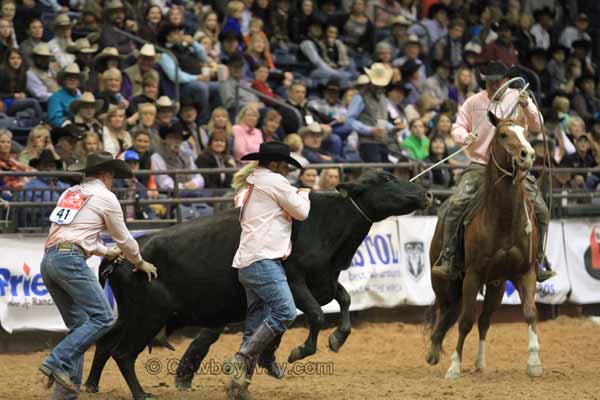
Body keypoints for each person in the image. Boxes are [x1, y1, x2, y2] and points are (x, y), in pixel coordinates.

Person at [39, 151, 157, 399]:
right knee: (103, 317)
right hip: (70, 260)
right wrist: (139, 261)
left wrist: (104, 250)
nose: (113, 180)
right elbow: (124, 237)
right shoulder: (106, 196)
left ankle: (65, 395)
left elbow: (70, 232)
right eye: (113, 176)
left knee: (80, 326)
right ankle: (55, 361)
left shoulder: (70, 193)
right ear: (106, 174)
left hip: (50, 260)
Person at [431, 61, 555, 282]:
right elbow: (458, 126)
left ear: (506, 81)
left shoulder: (519, 98)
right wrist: (462, 136)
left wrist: (527, 107)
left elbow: (537, 126)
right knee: (457, 204)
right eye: (488, 82)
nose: (492, 86)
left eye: (496, 82)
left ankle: (539, 258)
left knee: (541, 211)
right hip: (480, 164)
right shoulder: (473, 102)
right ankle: (448, 257)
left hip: (515, 167)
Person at [225, 141, 310, 398]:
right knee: (285, 311)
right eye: (284, 165)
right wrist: (304, 193)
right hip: (264, 260)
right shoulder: (273, 181)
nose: (286, 170)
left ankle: (238, 387)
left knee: (254, 325)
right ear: (274, 164)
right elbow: (302, 212)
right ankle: (242, 358)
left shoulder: (252, 182)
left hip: (249, 261)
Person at [347, 63, 396, 162]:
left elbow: (382, 120)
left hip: (382, 141)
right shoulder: (360, 97)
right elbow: (350, 120)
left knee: (385, 172)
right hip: (367, 142)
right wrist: (370, 130)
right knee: (375, 171)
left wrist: (393, 128)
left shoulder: (383, 98)